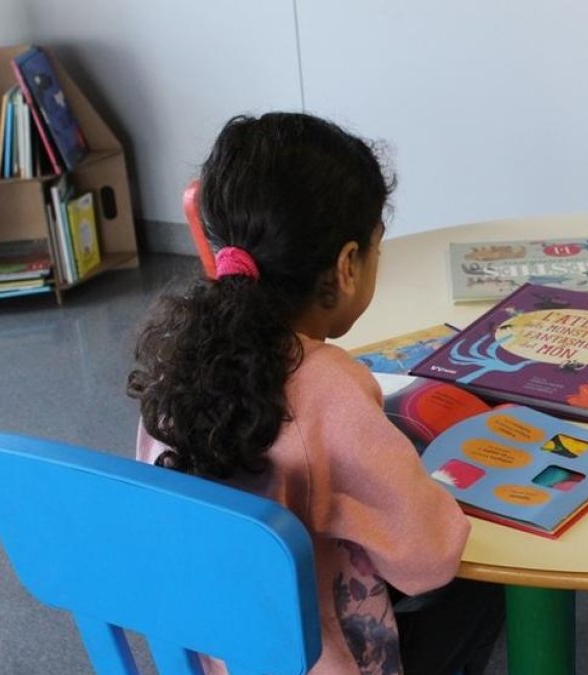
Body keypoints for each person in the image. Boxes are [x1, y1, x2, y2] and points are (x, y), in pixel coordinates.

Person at [127, 112, 504, 675]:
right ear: (348, 265)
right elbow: (430, 556)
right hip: (318, 661)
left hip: (213, 654)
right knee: (488, 589)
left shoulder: (176, 364)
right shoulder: (329, 387)